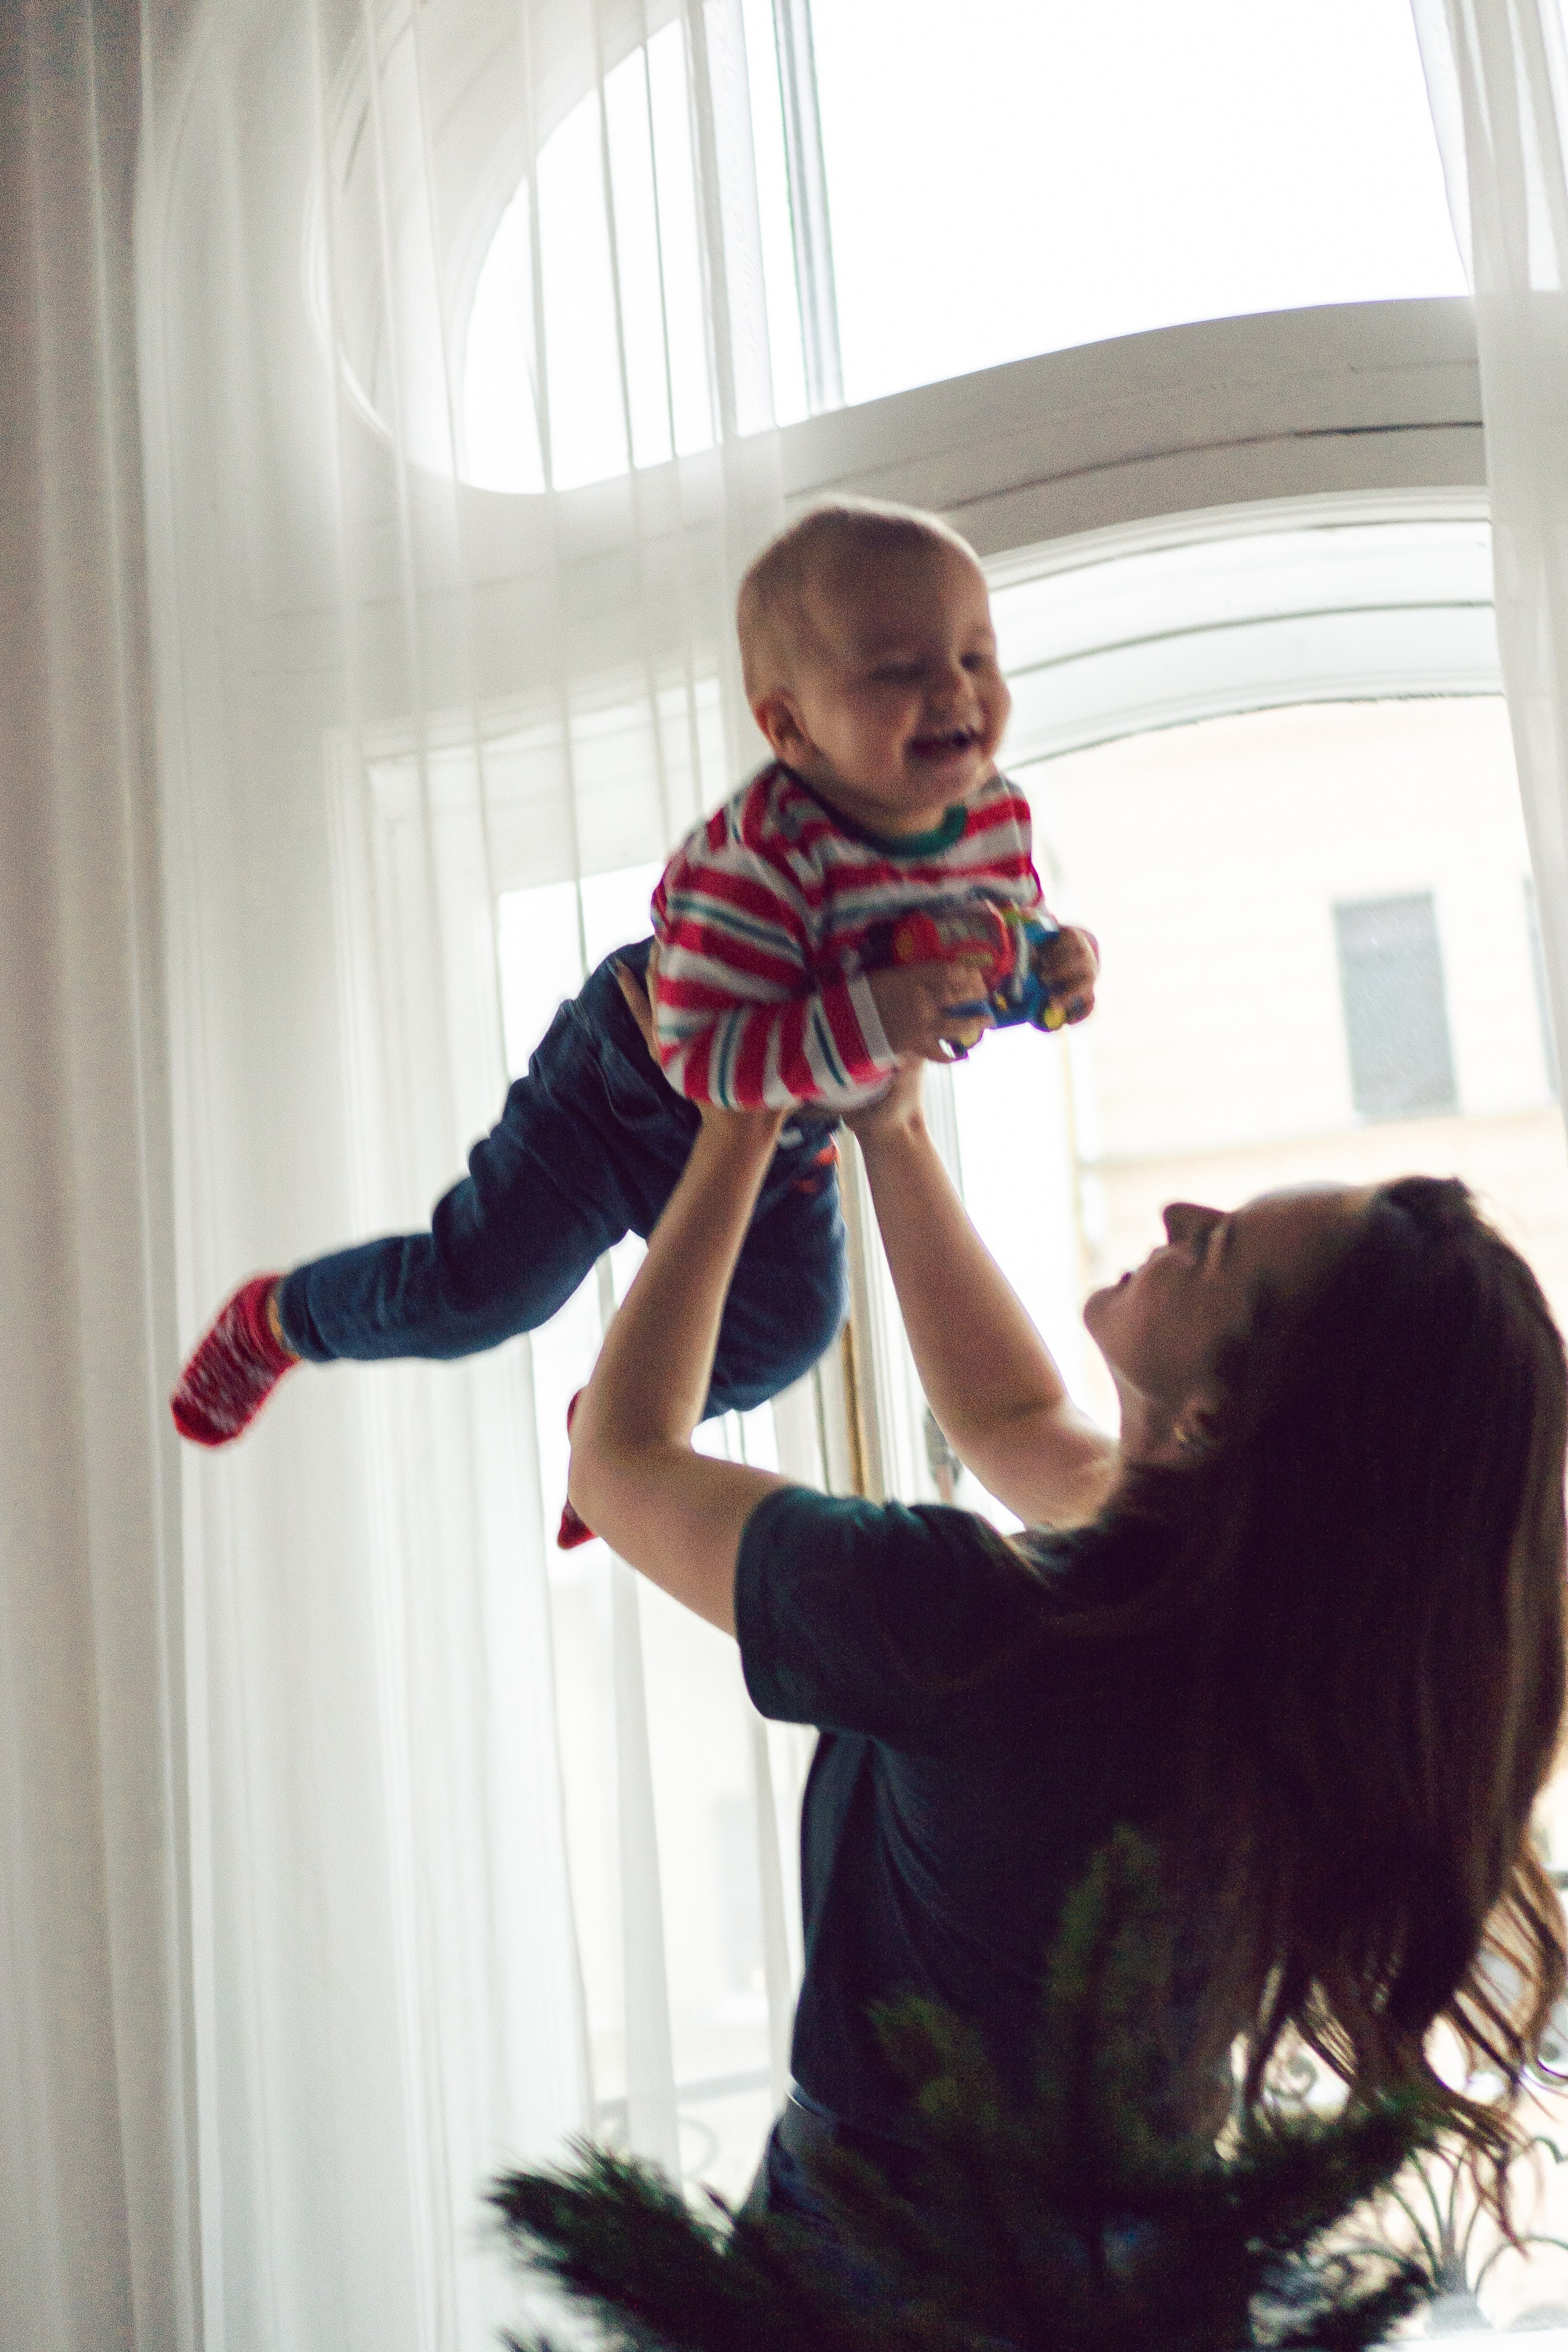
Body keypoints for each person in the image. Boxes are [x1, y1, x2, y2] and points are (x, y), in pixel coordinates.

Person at [565, 1039, 1568, 2275]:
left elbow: (619, 1466)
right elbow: (1009, 1422)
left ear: (1212, 1423)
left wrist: (738, 1124)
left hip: (888, 2271)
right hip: (1121, 2271)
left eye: (1216, 1246)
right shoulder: (1236, 1646)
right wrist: (892, 1130)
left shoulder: (968, 1625)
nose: (1178, 1211)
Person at [169, 500, 1099, 1547]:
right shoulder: (752, 858)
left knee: (792, 1327)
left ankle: (606, 1428)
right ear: (788, 729)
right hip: (624, 1091)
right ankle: (283, 1318)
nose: (953, 690)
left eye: (977, 655)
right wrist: (877, 1015)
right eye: (897, 670)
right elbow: (701, 1056)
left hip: (794, 1123)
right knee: (485, 1292)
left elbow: (996, 934)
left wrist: (1048, 962)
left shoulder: (993, 817)